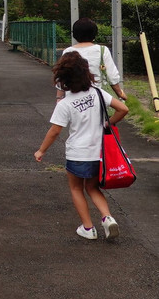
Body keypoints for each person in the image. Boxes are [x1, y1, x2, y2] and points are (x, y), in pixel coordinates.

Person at [35, 51, 128, 240]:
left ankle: (88, 228)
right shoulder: (98, 93)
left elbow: (55, 131)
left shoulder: (65, 104)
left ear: (62, 80)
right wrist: (108, 123)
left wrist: (41, 150)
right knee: (93, 188)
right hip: (99, 153)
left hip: (78, 154)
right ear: (87, 73)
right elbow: (123, 109)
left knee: (76, 189)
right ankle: (107, 217)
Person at [56, 18, 127, 102]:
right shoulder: (102, 50)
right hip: (97, 96)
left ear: (74, 34)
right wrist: (120, 94)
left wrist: (59, 98)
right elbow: (112, 76)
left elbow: (62, 76)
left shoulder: (68, 51)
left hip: (72, 97)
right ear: (95, 34)